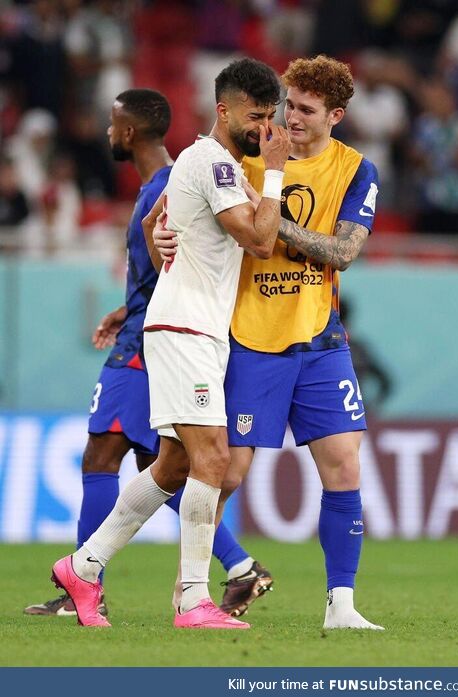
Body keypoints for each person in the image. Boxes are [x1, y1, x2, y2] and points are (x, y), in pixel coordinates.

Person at [50, 59, 291, 629]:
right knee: (213, 456)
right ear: (224, 109)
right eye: (256, 117)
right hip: (185, 328)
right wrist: (276, 173)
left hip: (196, 327)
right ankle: (192, 599)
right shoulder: (214, 164)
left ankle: (82, 569)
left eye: (269, 118)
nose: (264, 128)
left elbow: (153, 225)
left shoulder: (201, 164)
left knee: (174, 466)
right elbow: (259, 242)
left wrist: (160, 240)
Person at [156, 54, 385, 630]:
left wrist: (268, 218)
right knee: (223, 475)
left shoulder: (355, 170)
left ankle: (342, 606)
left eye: (306, 110)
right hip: (250, 339)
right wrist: (158, 234)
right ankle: (194, 591)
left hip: (320, 341)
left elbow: (343, 253)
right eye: (288, 106)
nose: (291, 119)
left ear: (335, 114)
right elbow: (167, 208)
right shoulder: (246, 155)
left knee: (343, 467)